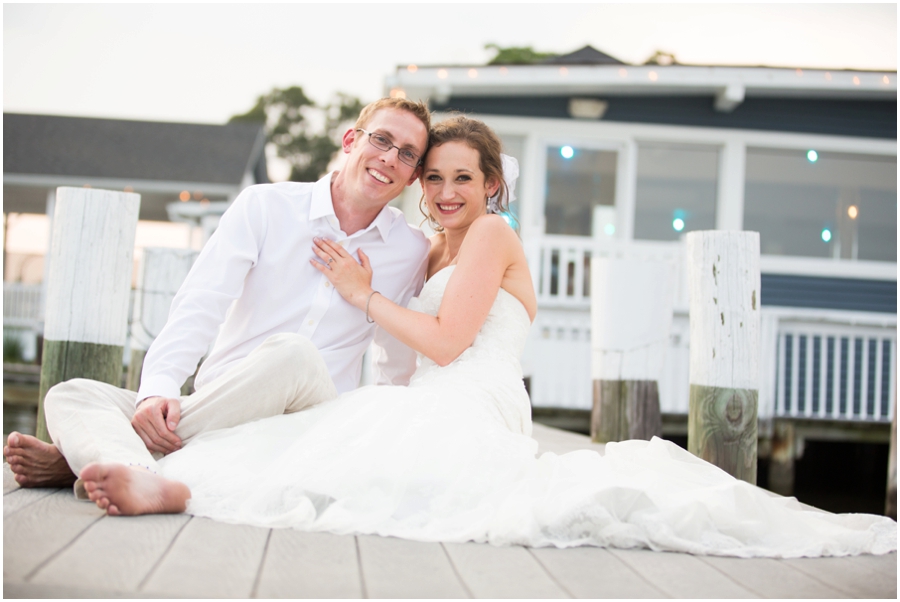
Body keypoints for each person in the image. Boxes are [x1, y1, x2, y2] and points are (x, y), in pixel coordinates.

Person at [76, 116, 895, 558]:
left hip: (469, 396)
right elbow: (402, 353)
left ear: (491, 185)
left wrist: (360, 296)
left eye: (458, 176)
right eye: (432, 176)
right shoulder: (422, 246)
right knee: (100, 400)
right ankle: (116, 451)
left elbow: (439, 342)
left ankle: (161, 479)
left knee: (343, 476)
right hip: (406, 395)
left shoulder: (493, 237)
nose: (439, 188)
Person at [4, 98, 432, 497]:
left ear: (412, 175)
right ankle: (138, 474)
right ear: (351, 140)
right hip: (216, 401)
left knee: (295, 354)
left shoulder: (409, 250)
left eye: (408, 153)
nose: (390, 158)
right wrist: (156, 391)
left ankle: (88, 459)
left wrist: (385, 434)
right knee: (72, 393)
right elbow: (201, 301)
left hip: (311, 416)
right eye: (381, 140)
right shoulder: (266, 206)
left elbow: (394, 356)